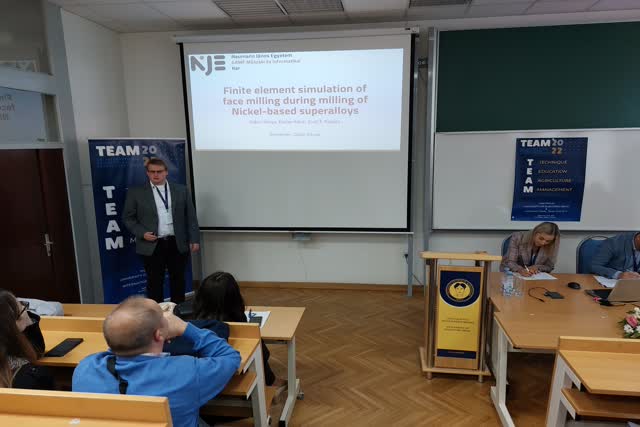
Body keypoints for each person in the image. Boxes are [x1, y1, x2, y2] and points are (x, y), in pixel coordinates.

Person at [72, 297, 240, 427]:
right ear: (159, 335)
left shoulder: (85, 369)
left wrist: (125, 337)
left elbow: (116, 349)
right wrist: (185, 328)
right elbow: (229, 357)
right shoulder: (187, 372)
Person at [122, 158, 200, 303]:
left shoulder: (181, 190)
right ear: (147, 173)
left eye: (159, 171)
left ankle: (177, 310)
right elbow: (128, 218)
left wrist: (194, 239)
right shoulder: (136, 192)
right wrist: (142, 233)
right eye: (152, 172)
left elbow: (190, 216)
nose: (156, 175)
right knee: (154, 282)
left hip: (177, 242)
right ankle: (155, 311)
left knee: (178, 279)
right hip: (152, 244)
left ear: (166, 172)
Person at [191, 272, 279, 387]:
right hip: (230, 381)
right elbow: (263, 356)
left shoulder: (189, 325)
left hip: (197, 380)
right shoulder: (238, 326)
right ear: (235, 298)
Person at [0, 289, 54, 389]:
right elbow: (37, 350)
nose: (26, 311)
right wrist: (27, 321)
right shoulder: (33, 377)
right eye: (23, 309)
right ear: (14, 325)